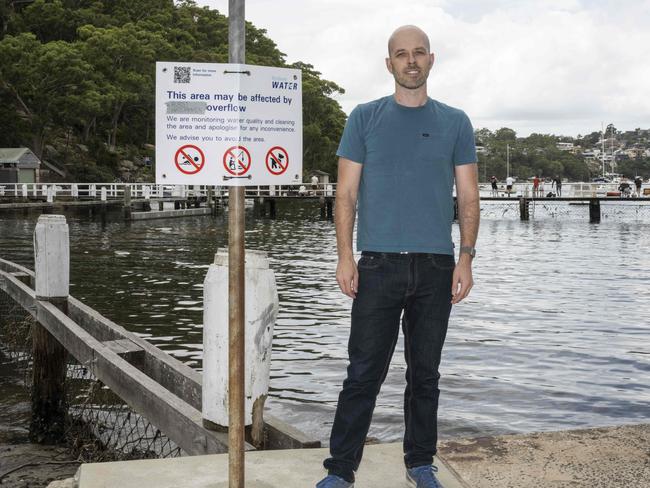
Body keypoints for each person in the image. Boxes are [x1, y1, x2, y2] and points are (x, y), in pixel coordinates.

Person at [317, 25, 479, 488]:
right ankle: (341, 471)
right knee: (362, 373)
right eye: (401, 54)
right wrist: (344, 257)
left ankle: (420, 463)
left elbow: (468, 197)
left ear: (432, 60)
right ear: (389, 64)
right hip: (377, 264)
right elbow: (345, 195)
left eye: (419, 53)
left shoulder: (456, 122)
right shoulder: (364, 118)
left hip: (435, 266)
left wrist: (465, 258)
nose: (411, 61)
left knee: (425, 374)